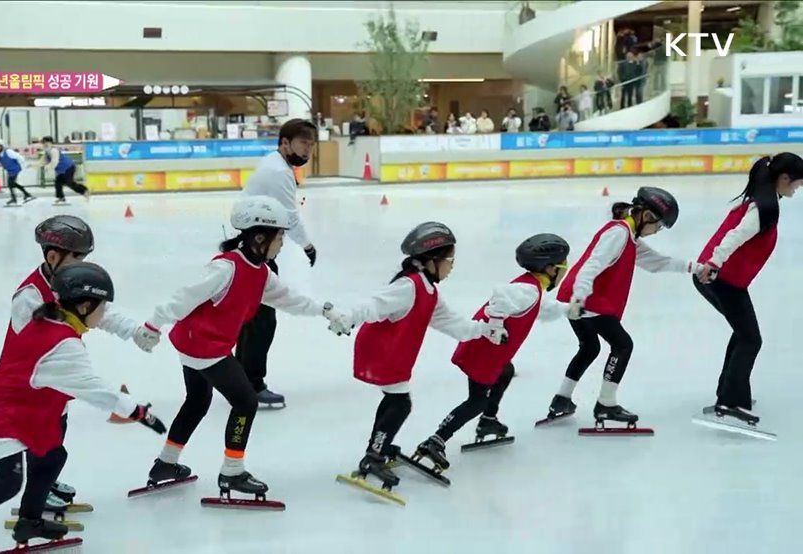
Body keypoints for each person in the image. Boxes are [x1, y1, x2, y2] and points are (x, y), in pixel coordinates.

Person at [0, 263, 167, 554]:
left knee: (52, 457)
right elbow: (97, 390)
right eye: (103, 307)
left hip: (25, 407)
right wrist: (140, 413)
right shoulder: (63, 345)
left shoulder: (54, 319)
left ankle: (29, 522)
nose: (104, 315)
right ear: (85, 306)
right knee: (8, 482)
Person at [139, 195, 348, 500]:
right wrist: (152, 325)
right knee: (246, 402)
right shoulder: (226, 268)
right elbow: (184, 297)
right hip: (205, 348)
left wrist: (326, 309)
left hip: (193, 345)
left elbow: (291, 299)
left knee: (197, 401)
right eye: (280, 237)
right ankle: (232, 471)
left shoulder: (261, 273)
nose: (282, 243)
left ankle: (165, 464)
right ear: (260, 237)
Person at [338, 222, 508, 494]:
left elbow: (457, 326)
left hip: (396, 353)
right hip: (382, 352)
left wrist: (485, 330)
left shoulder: (429, 292)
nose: (452, 266)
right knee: (399, 404)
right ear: (432, 260)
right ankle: (373, 456)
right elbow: (375, 305)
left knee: (395, 401)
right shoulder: (409, 285)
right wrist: (348, 318)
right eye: (449, 260)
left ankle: (377, 448)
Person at [12, 215, 158, 509]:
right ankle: (36, 496)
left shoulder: (71, 281)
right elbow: (27, 345)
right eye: (76, 258)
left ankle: (46, 484)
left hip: (61, 375)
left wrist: (133, 331)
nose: (82, 266)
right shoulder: (29, 296)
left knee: (57, 429)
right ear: (53, 256)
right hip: (34, 379)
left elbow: (99, 310)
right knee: (42, 438)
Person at [547, 187, 703, 427]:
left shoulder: (628, 235)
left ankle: (562, 399)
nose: (656, 231)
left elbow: (656, 263)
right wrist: (580, 295)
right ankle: (606, 404)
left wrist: (693, 267)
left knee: (589, 348)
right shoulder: (619, 234)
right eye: (658, 226)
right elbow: (593, 264)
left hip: (578, 297)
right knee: (623, 345)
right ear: (647, 216)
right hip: (587, 299)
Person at [414, 234, 571, 469]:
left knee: (505, 372)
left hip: (489, 351)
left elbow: (544, 308)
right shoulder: (527, 290)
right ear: (550, 268)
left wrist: (572, 309)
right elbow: (500, 297)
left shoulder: (533, 288)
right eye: (564, 267)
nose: (565, 272)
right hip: (484, 350)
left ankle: (488, 420)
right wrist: (496, 326)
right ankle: (435, 440)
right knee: (476, 401)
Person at [693, 154, 803, 425]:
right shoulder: (763, 208)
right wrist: (714, 263)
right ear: (784, 178)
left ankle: (731, 393)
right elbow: (735, 236)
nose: (798, 189)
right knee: (751, 339)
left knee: (744, 334)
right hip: (719, 278)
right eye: (797, 184)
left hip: (723, 278)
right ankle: (729, 401)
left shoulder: (763, 202)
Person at [236, 118, 319, 409]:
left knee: (253, 319)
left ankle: (242, 380)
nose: (308, 150)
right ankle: (252, 385)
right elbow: (288, 215)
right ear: (285, 143)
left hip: (252, 246)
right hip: (253, 250)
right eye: (302, 143)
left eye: (311, 145)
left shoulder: (276, 164)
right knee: (261, 320)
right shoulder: (279, 173)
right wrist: (307, 245)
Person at [38, 136, 88, 205]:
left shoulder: (53, 150)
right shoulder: (47, 151)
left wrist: (48, 167)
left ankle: (84, 190)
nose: (43, 144)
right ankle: (61, 198)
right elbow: (42, 162)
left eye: (44, 142)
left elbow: (54, 161)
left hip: (68, 167)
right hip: (62, 169)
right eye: (42, 143)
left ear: (49, 143)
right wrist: (32, 165)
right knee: (58, 182)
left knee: (69, 183)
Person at [0, 138, 34, 206]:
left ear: (0, 146)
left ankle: (15, 198)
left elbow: (20, 157)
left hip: (15, 169)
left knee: (10, 184)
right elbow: (3, 162)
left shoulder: (8, 152)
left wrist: (23, 165)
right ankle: (26, 194)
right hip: (10, 170)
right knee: (12, 184)